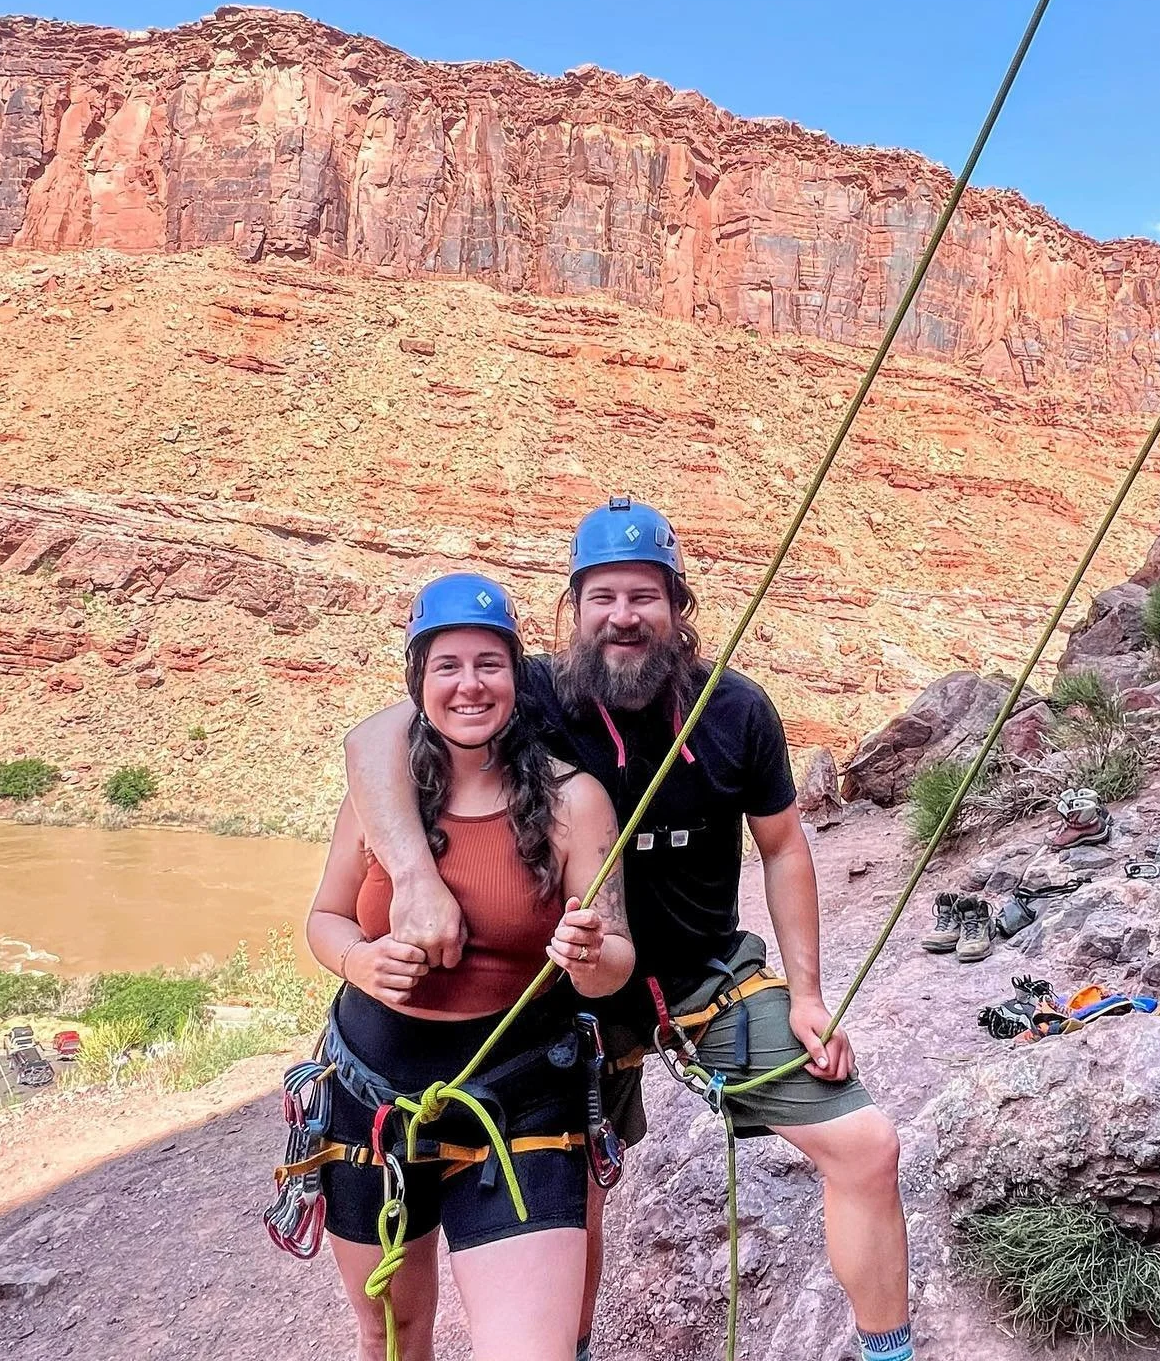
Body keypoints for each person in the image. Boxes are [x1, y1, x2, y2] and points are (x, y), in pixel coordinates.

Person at [344, 501, 914, 1361]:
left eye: (643, 596)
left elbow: (784, 846)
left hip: (699, 978)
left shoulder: (735, 712)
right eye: (602, 596)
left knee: (865, 1146)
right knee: (578, 1207)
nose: (622, 617)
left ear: (677, 608)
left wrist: (806, 994)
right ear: (575, 609)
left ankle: (888, 1353)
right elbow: (380, 733)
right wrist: (416, 881)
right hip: (565, 1005)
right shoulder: (531, 691)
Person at [306, 572, 634, 1361]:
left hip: (520, 1097)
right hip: (371, 1099)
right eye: (446, 665)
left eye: (489, 663)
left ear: (517, 678)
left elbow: (616, 957)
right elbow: (324, 918)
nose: (469, 684)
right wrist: (358, 960)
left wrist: (588, 959)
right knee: (391, 1333)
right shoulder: (378, 797)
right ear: (416, 679)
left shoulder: (574, 801)